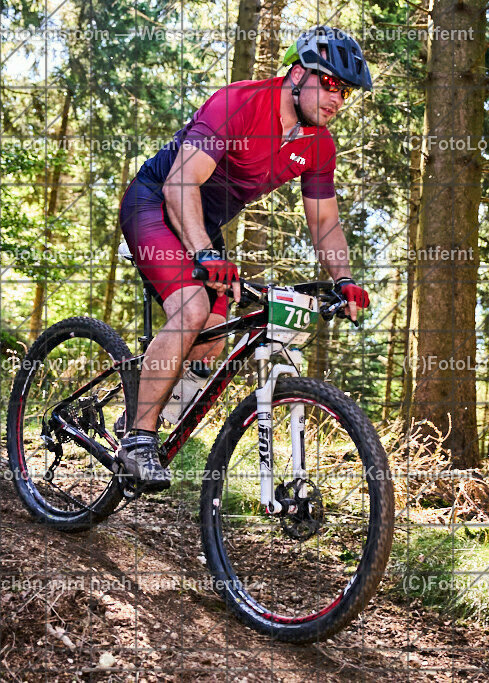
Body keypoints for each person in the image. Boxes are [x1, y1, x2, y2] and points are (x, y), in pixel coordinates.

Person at [117, 25, 373, 491]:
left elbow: (325, 223)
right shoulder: (237, 102)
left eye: (346, 92)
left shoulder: (317, 144)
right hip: (157, 201)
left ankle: (136, 405)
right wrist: (205, 253)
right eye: (332, 84)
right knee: (192, 307)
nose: (338, 99)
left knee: (211, 338)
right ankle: (137, 441)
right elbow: (180, 184)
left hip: (203, 226)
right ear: (298, 73)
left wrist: (344, 280)